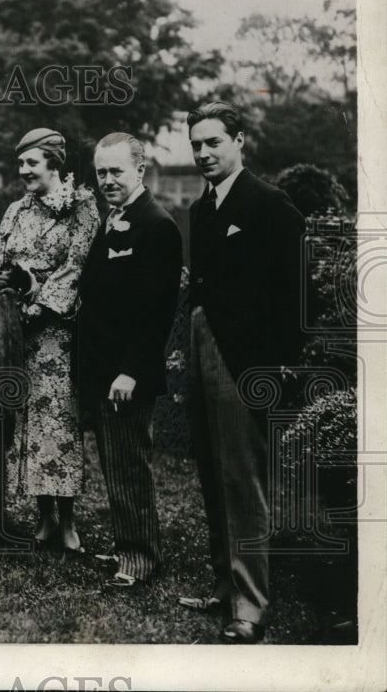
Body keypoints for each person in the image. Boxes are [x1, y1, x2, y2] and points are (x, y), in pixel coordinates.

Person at [179, 101, 305, 643]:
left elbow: (298, 299)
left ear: (240, 141)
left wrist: (272, 369)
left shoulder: (271, 206)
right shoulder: (203, 207)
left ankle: (249, 606)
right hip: (203, 345)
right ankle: (225, 587)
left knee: (242, 481)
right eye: (197, 145)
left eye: (214, 142)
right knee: (211, 470)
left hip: (247, 361)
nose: (204, 153)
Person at [0, 128, 99, 549]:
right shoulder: (15, 210)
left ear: (54, 163)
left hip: (56, 335)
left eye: (32, 163)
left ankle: (67, 521)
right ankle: (43, 515)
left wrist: (38, 306)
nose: (23, 170)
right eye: (21, 163)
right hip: (13, 335)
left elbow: (75, 269)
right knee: (26, 424)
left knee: (57, 423)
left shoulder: (82, 208)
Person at [77, 133, 182, 587]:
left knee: (129, 467)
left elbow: (156, 312)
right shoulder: (110, 221)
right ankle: (127, 545)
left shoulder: (156, 225)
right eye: (101, 172)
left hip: (126, 375)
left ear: (140, 170)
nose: (107, 180)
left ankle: (139, 559)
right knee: (114, 465)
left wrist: (131, 371)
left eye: (116, 171)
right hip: (101, 368)